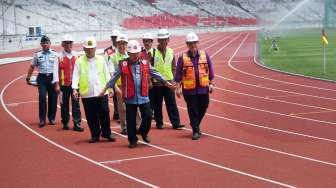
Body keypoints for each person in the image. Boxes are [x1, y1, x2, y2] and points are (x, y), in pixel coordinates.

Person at [100, 40, 176, 148]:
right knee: (130, 120)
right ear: (129, 53)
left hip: (143, 96)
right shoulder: (123, 64)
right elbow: (114, 78)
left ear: (140, 53)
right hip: (130, 97)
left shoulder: (145, 63)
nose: (135, 55)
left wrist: (168, 84)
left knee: (148, 116)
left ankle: (143, 132)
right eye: (132, 53)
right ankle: (132, 140)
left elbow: (156, 74)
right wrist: (105, 89)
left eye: (137, 53)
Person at [72, 36, 116, 143]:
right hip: (87, 93)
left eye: (92, 48)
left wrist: (110, 87)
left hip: (101, 92)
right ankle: (95, 135)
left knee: (105, 113)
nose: (90, 50)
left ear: (95, 48)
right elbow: (75, 76)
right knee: (91, 116)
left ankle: (106, 133)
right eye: (87, 48)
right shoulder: (79, 61)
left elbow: (106, 74)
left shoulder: (101, 59)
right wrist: (74, 89)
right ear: (84, 49)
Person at [175, 32, 214, 140]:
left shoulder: (205, 55)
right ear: (187, 45)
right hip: (189, 90)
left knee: (204, 106)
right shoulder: (182, 58)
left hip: (203, 88)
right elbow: (178, 74)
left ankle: (194, 124)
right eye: (190, 43)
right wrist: (177, 88)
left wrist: (211, 83)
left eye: (194, 43)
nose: (193, 45)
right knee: (193, 110)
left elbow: (211, 71)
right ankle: (196, 130)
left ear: (198, 43)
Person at [152, 28, 184, 130]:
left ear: (168, 39)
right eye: (161, 40)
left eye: (165, 39)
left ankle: (176, 123)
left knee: (172, 104)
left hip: (169, 82)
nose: (163, 42)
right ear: (158, 41)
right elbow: (150, 68)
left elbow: (173, 67)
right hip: (157, 83)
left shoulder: (171, 51)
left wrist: (174, 79)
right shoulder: (153, 52)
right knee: (157, 104)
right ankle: (159, 123)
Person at [53, 34, 84, 132]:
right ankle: (65, 122)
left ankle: (77, 123)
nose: (69, 45)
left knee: (76, 104)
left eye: (70, 43)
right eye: (67, 43)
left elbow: (80, 71)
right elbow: (55, 71)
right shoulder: (58, 56)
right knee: (64, 104)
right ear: (63, 44)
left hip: (75, 85)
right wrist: (57, 84)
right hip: (63, 86)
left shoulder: (77, 55)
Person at [26, 35, 58, 127]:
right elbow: (32, 66)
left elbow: (59, 67)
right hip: (42, 78)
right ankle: (42, 119)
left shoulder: (55, 54)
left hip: (52, 78)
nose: (45, 44)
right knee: (42, 97)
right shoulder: (37, 54)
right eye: (43, 43)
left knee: (53, 98)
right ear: (41, 44)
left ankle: (51, 118)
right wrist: (28, 78)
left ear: (50, 44)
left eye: (47, 43)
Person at [109, 34, 129, 135]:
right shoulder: (112, 57)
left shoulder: (130, 55)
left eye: (124, 44)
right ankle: (124, 126)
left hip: (131, 85)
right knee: (122, 107)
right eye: (120, 44)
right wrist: (115, 87)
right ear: (116, 44)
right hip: (120, 86)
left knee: (134, 106)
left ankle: (137, 125)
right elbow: (111, 73)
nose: (122, 46)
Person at [104, 29, 120, 121]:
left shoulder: (122, 48)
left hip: (122, 75)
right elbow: (106, 64)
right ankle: (117, 113)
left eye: (116, 37)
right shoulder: (108, 51)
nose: (115, 39)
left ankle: (118, 113)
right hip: (113, 75)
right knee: (115, 96)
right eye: (113, 37)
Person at [141, 32, 156, 117]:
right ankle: (147, 113)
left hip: (155, 80)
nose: (146, 43)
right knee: (144, 97)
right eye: (145, 41)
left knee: (153, 98)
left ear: (151, 42)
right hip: (144, 80)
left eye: (148, 41)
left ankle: (152, 112)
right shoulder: (140, 53)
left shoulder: (156, 52)